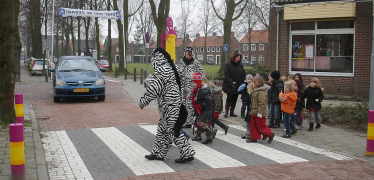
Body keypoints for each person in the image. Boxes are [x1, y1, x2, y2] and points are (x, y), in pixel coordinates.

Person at [140, 48, 195, 163]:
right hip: (171, 106)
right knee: (162, 129)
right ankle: (158, 153)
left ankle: (187, 152)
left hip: (170, 107)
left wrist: (143, 101)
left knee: (173, 130)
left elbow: (154, 88)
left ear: (156, 59)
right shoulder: (169, 68)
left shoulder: (162, 70)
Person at [177, 47, 205, 129]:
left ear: (192, 54)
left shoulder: (196, 62)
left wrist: (195, 75)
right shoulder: (181, 62)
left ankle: (189, 122)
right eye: (186, 54)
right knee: (183, 104)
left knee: (189, 105)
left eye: (189, 54)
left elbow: (202, 74)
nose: (188, 56)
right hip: (182, 87)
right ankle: (184, 120)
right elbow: (178, 72)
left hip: (191, 87)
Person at [246, 76, 275, 143]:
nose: (252, 84)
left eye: (253, 82)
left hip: (259, 112)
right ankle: (254, 137)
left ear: (257, 83)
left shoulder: (261, 92)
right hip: (254, 111)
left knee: (261, 126)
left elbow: (262, 103)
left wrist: (260, 112)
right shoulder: (255, 91)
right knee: (252, 125)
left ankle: (270, 134)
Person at [189, 73, 214, 144]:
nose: (193, 84)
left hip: (205, 109)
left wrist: (201, 105)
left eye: (195, 83)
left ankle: (210, 131)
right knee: (199, 122)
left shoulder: (203, 90)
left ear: (199, 82)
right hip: (200, 109)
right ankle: (209, 137)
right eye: (193, 83)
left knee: (199, 121)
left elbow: (208, 101)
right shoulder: (197, 90)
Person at [222, 52, 246, 117]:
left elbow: (243, 74)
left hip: (238, 84)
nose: (238, 59)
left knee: (235, 98)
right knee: (229, 97)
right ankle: (226, 111)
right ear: (234, 57)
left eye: (239, 58)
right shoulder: (228, 65)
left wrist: (243, 81)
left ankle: (232, 111)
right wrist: (231, 81)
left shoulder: (240, 66)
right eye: (237, 57)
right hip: (229, 85)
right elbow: (226, 74)